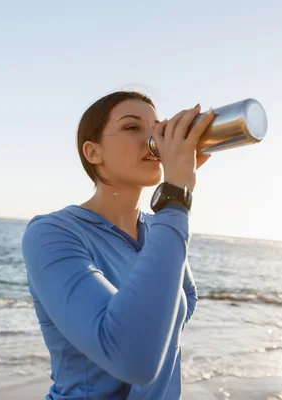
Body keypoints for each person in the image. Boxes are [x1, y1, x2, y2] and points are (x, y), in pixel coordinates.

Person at [21, 90, 215, 400]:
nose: (152, 140)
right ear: (93, 151)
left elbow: (187, 296)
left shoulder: (159, 226)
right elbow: (132, 358)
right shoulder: (52, 233)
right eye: (132, 127)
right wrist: (176, 193)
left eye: (156, 128)